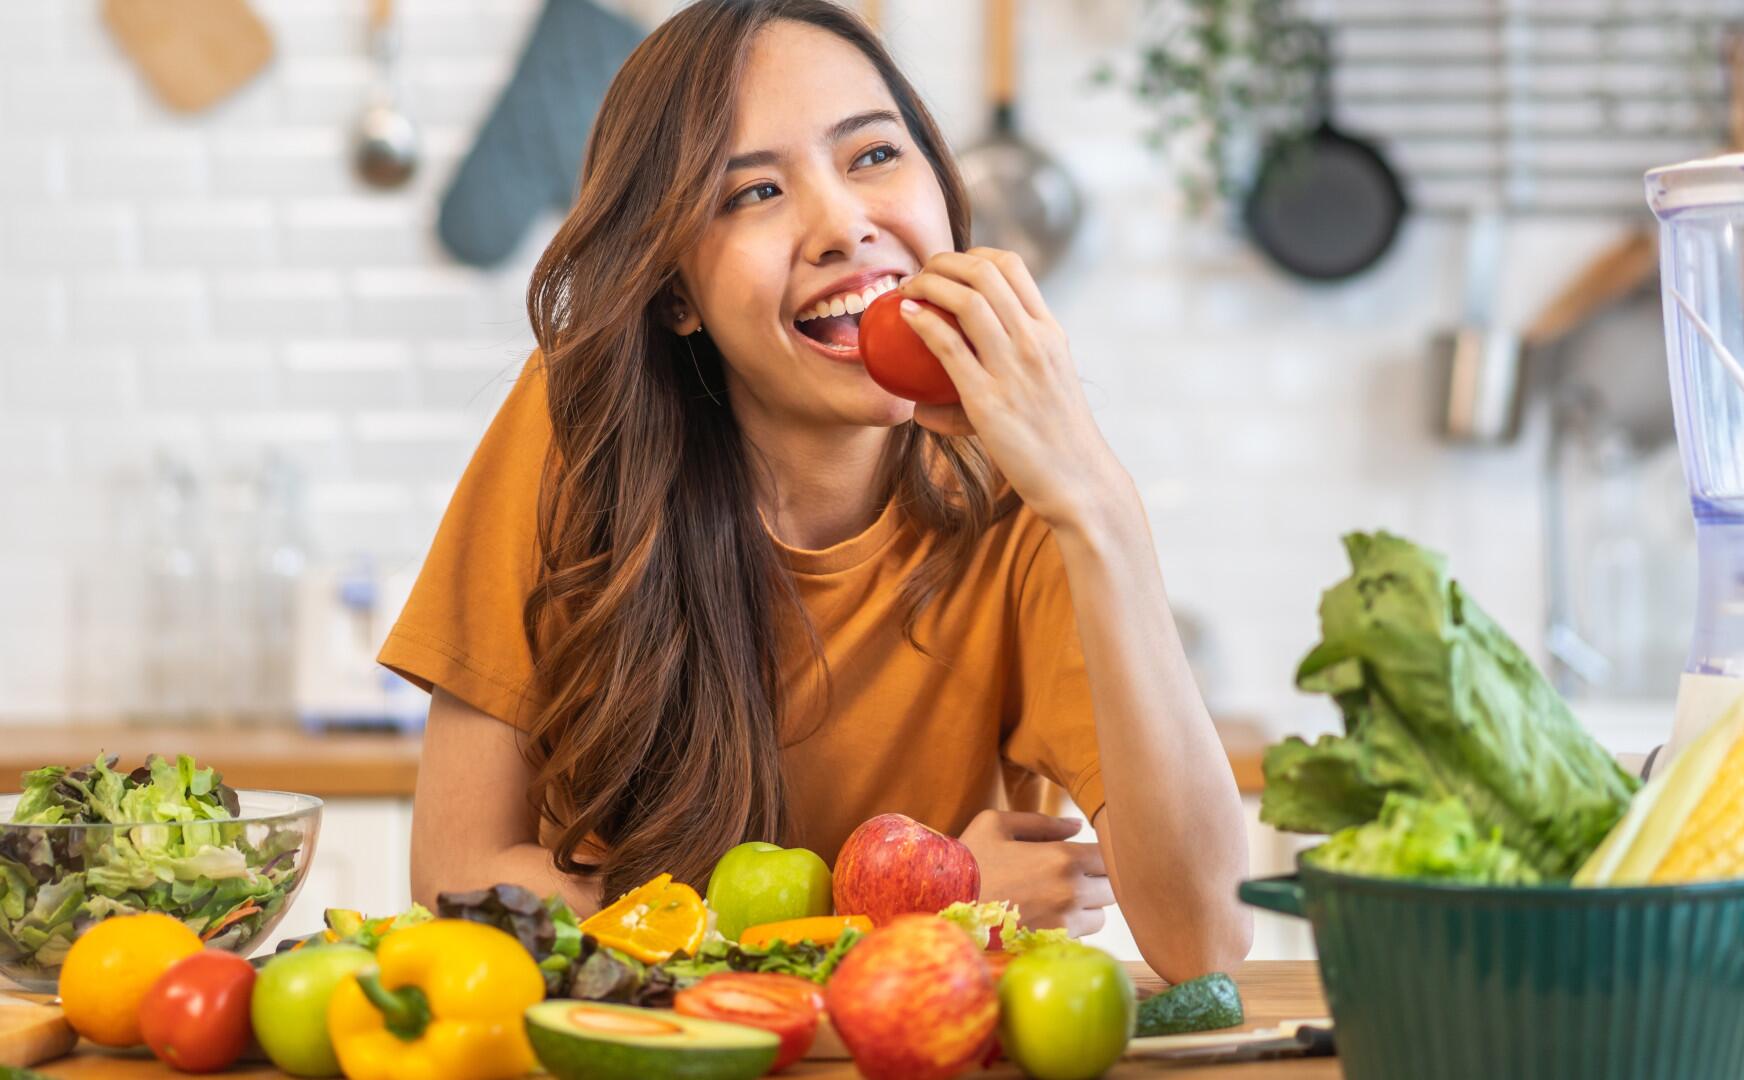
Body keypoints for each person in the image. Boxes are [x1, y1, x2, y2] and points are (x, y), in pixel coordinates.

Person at [381, 0, 1250, 981]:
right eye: (752, 192)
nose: (844, 223)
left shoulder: (1029, 494)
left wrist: (1098, 501)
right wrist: (910, 903)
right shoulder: (575, 431)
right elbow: (460, 886)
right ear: (675, 294)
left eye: (874, 156)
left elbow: (1204, 938)